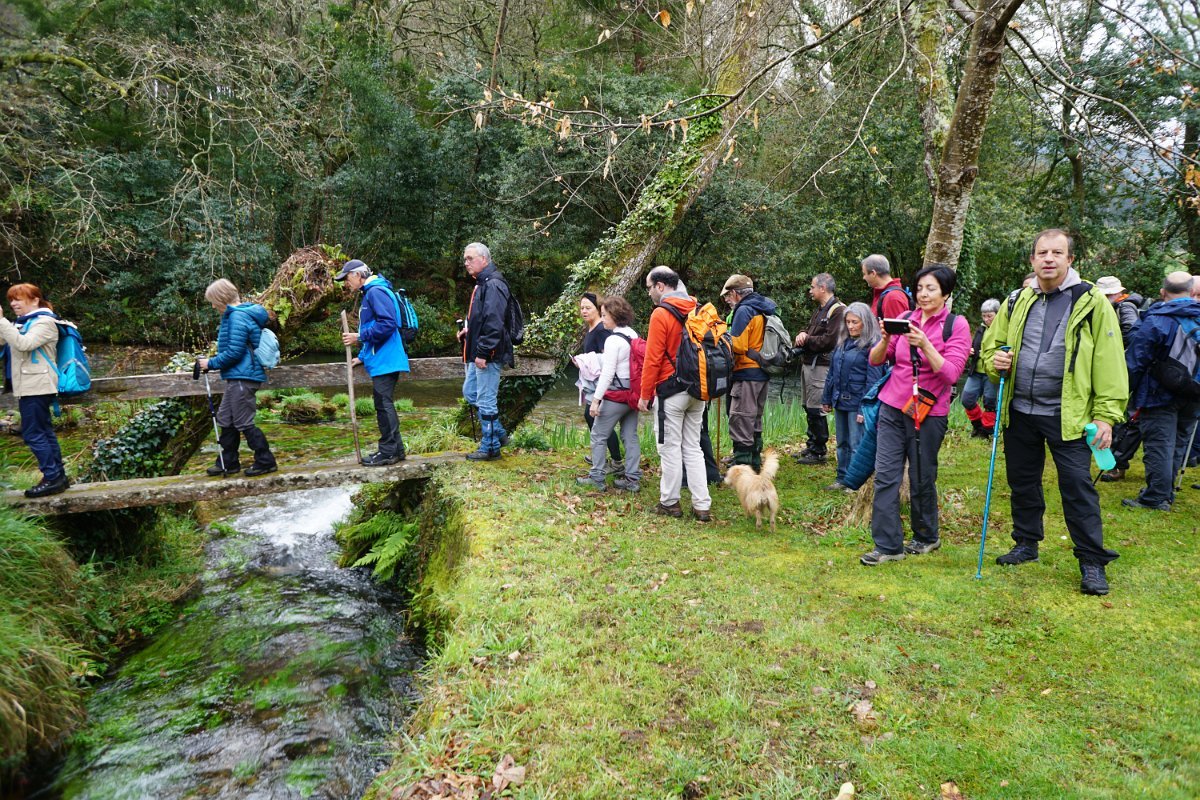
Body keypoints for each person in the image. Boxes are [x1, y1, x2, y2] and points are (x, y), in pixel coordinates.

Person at [983, 229, 1126, 595]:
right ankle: (1026, 543)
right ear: (1032, 259)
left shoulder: (1092, 302)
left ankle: (1091, 561)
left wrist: (1105, 415)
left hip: (1069, 414)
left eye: (1057, 253)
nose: (1049, 258)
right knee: (1022, 481)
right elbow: (990, 348)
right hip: (1020, 410)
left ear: (1070, 259)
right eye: (1042, 253)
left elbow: (1110, 362)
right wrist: (995, 362)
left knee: (1077, 486)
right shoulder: (1016, 300)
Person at [859, 265, 970, 565]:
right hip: (893, 406)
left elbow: (951, 373)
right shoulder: (907, 318)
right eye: (919, 288)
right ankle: (888, 546)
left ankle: (926, 536)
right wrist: (885, 339)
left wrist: (925, 345)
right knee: (885, 475)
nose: (923, 294)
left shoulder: (956, 325)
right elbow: (875, 360)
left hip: (929, 412)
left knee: (921, 475)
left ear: (946, 293)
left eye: (931, 289)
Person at [637, 267, 712, 522]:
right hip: (697, 388)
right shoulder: (696, 308)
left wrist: (645, 394)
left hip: (670, 391)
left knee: (669, 448)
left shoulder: (661, 313)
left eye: (649, 288)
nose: (649, 293)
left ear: (660, 286)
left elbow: (653, 359)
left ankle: (669, 502)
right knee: (693, 447)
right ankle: (702, 505)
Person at [1121, 271, 1200, 510]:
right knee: (1178, 442)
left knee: (1159, 444)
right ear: (1191, 291)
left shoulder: (1156, 319)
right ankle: (1164, 491)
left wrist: (1124, 393)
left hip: (1158, 393)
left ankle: (1155, 497)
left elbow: (1136, 360)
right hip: (1194, 392)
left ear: (1162, 292)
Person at [197, 279, 277, 477]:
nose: (213, 306)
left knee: (243, 422)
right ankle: (229, 462)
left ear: (221, 299)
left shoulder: (237, 317)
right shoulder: (237, 315)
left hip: (243, 377)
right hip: (238, 376)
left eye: (213, 301)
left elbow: (234, 352)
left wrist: (210, 363)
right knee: (226, 419)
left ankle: (266, 461)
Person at [337, 259, 409, 465]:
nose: (346, 283)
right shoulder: (372, 292)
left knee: (383, 405)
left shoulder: (375, 292)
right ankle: (396, 450)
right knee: (383, 403)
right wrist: (363, 356)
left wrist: (359, 336)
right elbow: (375, 327)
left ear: (357, 275)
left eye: (347, 279)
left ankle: (388, 452)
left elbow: (387, 324)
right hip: (382, 358)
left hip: (387, 359)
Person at [0, 283, 70, 497]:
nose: (13, 304)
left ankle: (52, 478)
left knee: (33, 434)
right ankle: (58, 476)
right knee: (44, 432)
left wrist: (2, 321)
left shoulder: (45, 322)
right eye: (11, 300)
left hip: (37, 387)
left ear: (35, 300)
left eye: (18, 299)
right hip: (30, 386)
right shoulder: (24, 322)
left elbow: (24, 344)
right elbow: (5, 341)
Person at [579, 296, 642, 492]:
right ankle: (632, 479)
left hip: (617, 395)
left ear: (615, 315)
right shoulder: (632, 333)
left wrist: (596, 400)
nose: (603, 319)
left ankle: (597, 477)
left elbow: (607, 374)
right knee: (630, 436)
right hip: (633, 393)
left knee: (598, 434)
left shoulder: (613, 340)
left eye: (605, 315)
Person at [458, 242, 514, 461]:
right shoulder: (483, 283)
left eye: (470, 258)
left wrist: (483, 353)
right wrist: (469, 332)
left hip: (488, 354)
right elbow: (483, 320)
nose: (466, 263)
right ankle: (498, 433)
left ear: (484, 259)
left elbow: (494, 323)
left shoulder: (493, 285)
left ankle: (490, 447)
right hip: (479, 351)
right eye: (465, 259)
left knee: (486, 399)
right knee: (471, 392)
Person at [821, 302, 885, 490]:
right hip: (840, 400)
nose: (850, 326)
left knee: (856, 444)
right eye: (848, 322)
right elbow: (832, 373)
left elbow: (873, 382)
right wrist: (826, 398)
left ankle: (855, 482)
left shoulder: (873, 346)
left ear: (865, 322)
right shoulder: (842, 342)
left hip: (858, 402)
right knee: (841, 442)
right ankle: (841, 478)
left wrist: (863, 409)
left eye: (855, 322)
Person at [721, 274, 779, 470]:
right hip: (762, 371)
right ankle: (754, 463)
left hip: (746, 372)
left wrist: (722, 338)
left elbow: (738, 345)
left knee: (740, 419)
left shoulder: (744, 310)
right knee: (754, 420)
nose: (726, 300)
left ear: (735, 293)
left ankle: (743, 468)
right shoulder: (762, 307)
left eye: (727, 295)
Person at [793, 273, 845, 465]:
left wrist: (807, 340)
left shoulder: (838, 311)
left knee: (816, 407)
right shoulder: (820, 310)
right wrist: (802, 334)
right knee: (808, 405)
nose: (810, 290)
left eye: (812, 287)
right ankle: (812, 444)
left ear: (823, 288)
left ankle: (819, 451)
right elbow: (811, 331)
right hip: (809, 363)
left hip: (821, 365)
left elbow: (830, 341)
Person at [577, 292, 622, 473]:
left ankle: (616, 461)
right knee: (592, 418)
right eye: (582, 308)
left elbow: (607, 358)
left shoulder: (601, 330)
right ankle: (600, 454)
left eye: (588, 308)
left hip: (602, 383)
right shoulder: (591, 329)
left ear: (597, 309)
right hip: (592, 382)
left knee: (598, 419)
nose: (584, 311)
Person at [961, 299, 1001, 439]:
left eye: (989, 316)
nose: (986, 319)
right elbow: (975, 346)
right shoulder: (981, 329)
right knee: (967, 399)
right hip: (976, 371)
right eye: (984, 316)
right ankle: (978, 425)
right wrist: (970, 351)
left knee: (990, 402)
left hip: (992, 372)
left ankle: (986, 431)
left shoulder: (1002, 330)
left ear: (997, 314)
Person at [1095, 275, 1143, 346]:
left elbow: (1130, 332)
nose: (1104, 297)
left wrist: (1116, 347)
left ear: (1118, 293)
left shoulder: (1126, 306)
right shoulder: (1113, 305)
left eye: (1108, 294)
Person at [862, 254, 912, 320]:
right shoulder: (883, 294)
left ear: (873, 273)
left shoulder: (892, 298)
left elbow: (895, 326)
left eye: (864, 274)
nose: (863, 278)